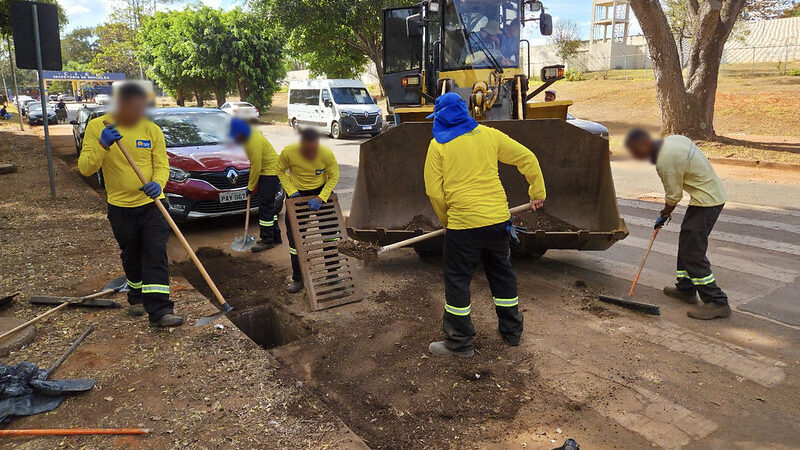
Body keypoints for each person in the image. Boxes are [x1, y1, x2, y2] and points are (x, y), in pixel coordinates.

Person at [423, 93, 546, 357]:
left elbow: (434, 192)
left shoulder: (437, 146)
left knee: (458, 280)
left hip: (463, 226)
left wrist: (447, 221)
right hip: (497, 222)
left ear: (439, 118)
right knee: (502, 274)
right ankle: (512, 333)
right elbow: (528, 158)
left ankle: (459, 342)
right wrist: (537, 192)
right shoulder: (490, 135)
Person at [78, 82, 183, 328]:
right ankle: (136, 296)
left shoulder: (151, 130)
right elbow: (85, 168)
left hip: (152, 205)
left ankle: (160, 311)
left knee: (155, 253)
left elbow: (162, 165)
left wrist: (158, 183)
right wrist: (103, 145)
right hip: (120, 208)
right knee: (131, 254)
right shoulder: (99, 127)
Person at [624, 129, 730, 320]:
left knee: (692, 253)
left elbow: (674, 196)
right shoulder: (673, 140)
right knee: (686, 242)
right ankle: (686, 288)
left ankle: (717, 301)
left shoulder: (664, 162)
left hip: (707, 201)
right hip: (708, 195)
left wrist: (664, 215)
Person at [277, 128, 340, 293]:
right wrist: (292, 192)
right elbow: (279, 170)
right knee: (295, 240)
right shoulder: (289, 152)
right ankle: (298, 278)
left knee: (330, 235)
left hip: (320, 191)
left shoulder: (326, 154)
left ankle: (333, 273)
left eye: (314, 149)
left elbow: (334, 176)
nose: (311, 154)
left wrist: (321, 197)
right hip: (297, 193)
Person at [229, 118, 282, 252]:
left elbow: (256, 166)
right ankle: (275, 236)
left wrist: (250, 187)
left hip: (269, 172)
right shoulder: (249, 136)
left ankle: (267, 240)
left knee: (265, 207)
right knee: (269, 206)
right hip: (269, 171)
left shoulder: (252, 140)